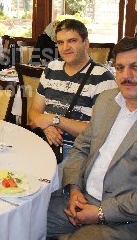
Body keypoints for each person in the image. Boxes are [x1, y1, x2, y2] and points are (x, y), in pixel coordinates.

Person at [47, 37, 137, 240]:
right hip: (82, 199)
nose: (126, 76)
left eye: (136, 67)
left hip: (131, 221)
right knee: (25, 216)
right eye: (120, 68)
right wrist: (74, 189)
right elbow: (82, 146)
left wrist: (100, 213)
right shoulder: (108, 100)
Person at [28, 19, 116, 163]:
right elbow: (34, 111)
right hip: (45, 143)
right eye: (60, 42)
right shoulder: (51, 68)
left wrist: (54, 120)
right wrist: (47, 127)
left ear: (86, 43)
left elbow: (98, 131)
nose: (65, 47)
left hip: (79, 153)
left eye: (72, 41)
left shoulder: (102, 77)